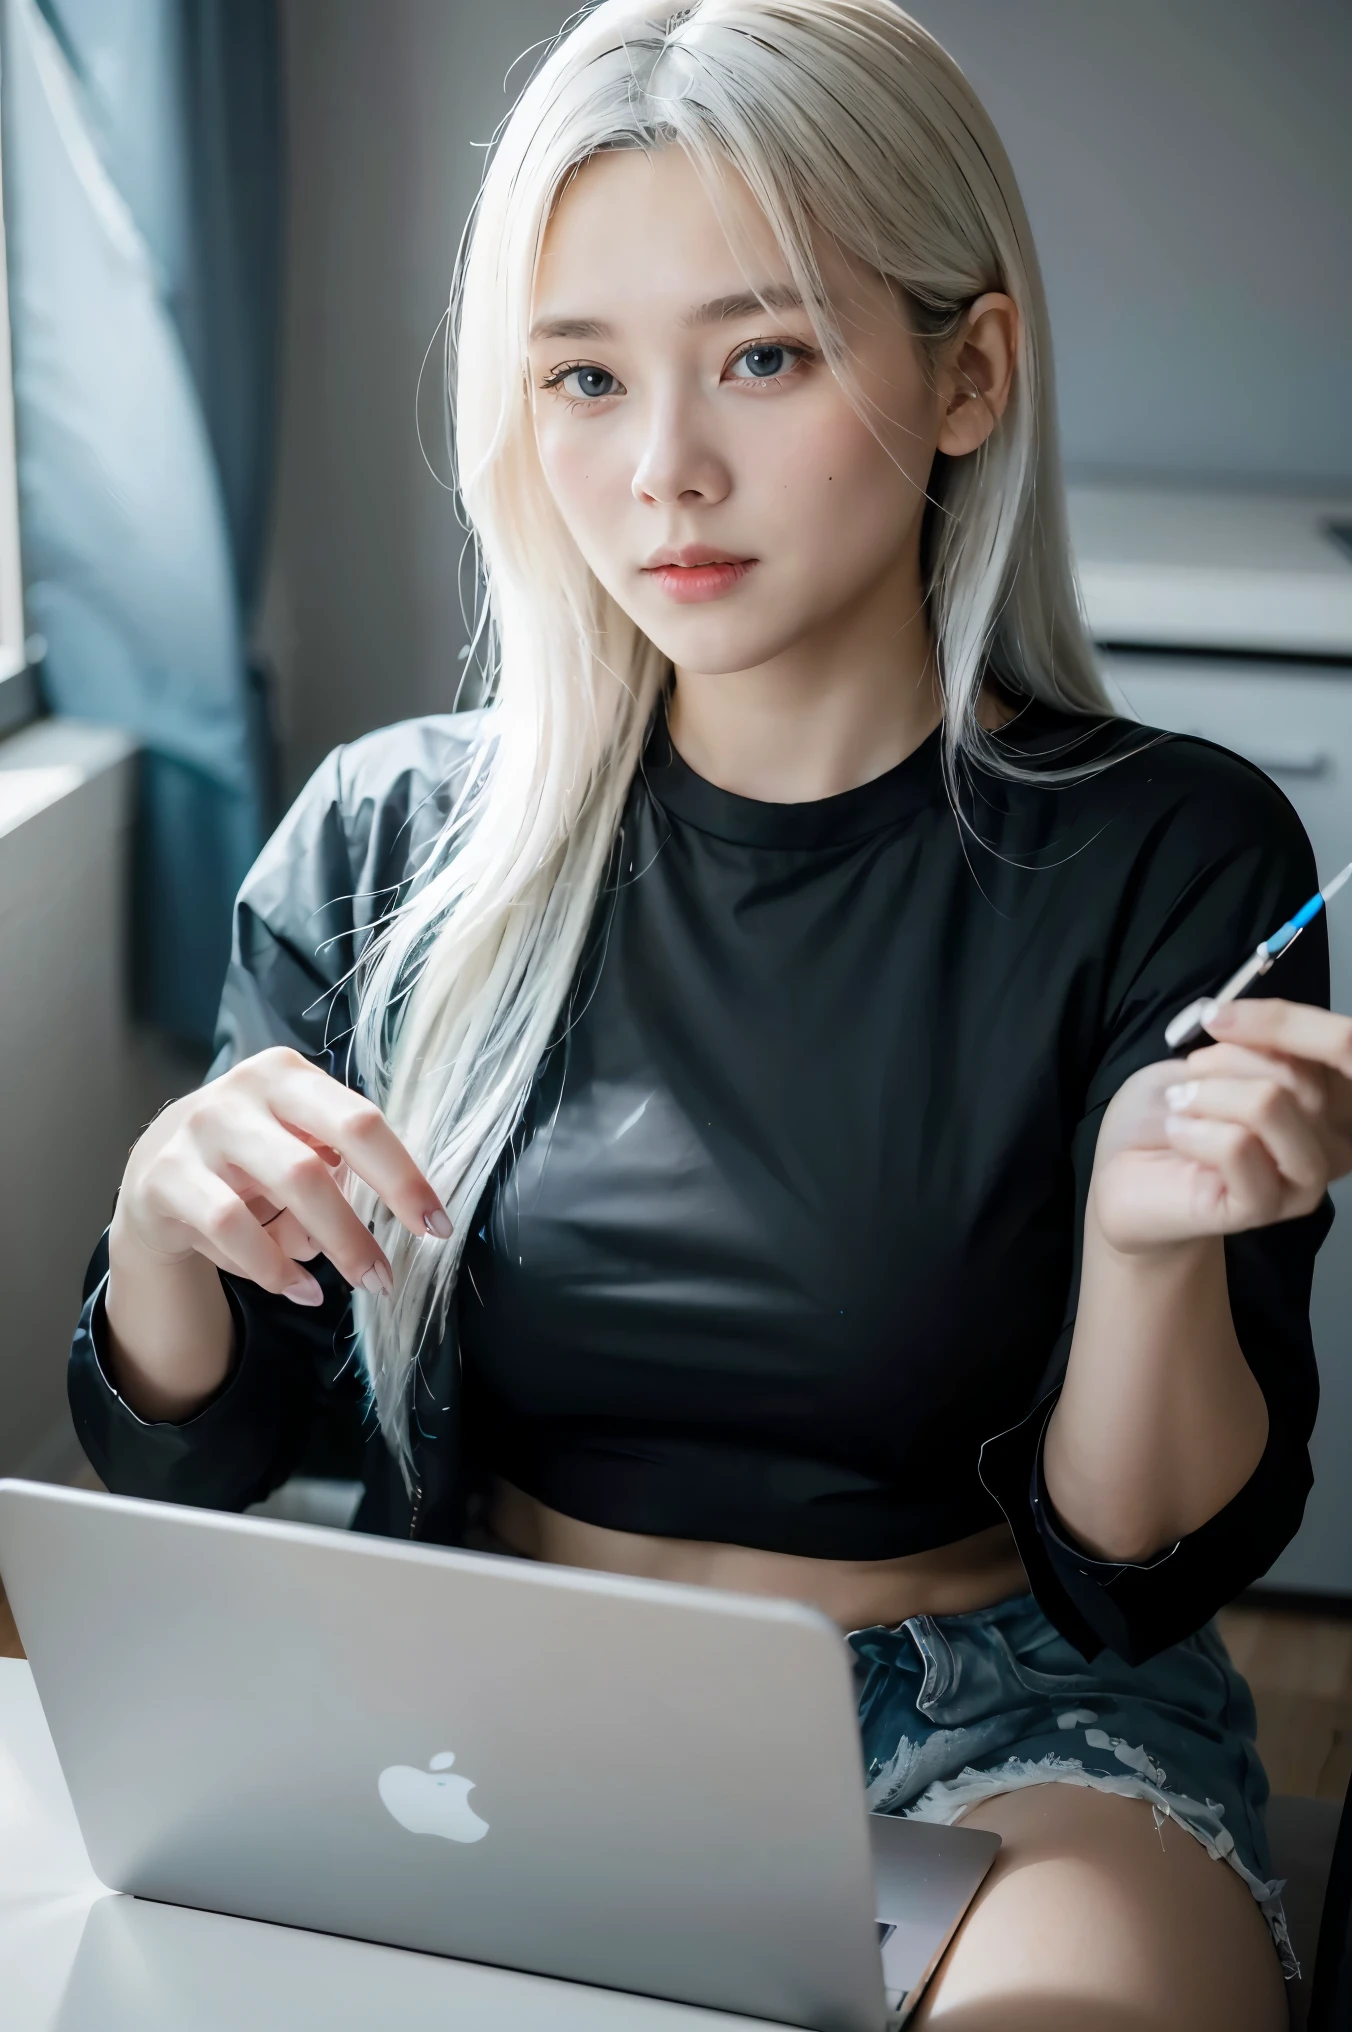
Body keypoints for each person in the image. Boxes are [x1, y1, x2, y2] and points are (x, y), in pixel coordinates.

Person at [68, 4, 1352, 2024]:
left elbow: (1137, 1566)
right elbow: (202, 1468)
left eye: (761, 354)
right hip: (471, 1711)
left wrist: (1139, 1258)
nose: (660, 466)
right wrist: (162, 1226)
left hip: (1001, 1726)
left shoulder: (1167, 851)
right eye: (582, 374)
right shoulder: (388, 836)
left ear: (968, 373)